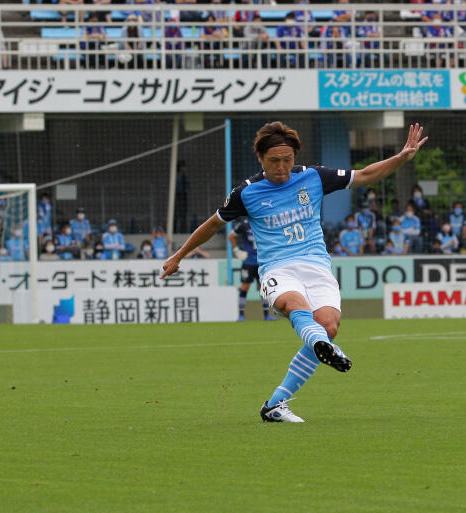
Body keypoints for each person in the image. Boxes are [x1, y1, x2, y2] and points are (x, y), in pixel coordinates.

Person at [160, 121, 427, 422]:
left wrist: (401, 157)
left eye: (287, 159)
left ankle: (276, 404)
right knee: (293, 303)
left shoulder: (313, 177)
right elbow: (213, 224)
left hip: (316, 266)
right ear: (260, 158)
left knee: (328, 326)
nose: (282, 167)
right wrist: (179, 255)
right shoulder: (246, 193)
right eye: (274, 160)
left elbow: (365, 175)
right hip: (277, 268)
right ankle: (322, 346)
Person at [229, 218, 275, 322]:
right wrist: (236, 250)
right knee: (244, 288)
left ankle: (266, 315)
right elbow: (231, 236)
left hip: (261, 263)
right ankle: (241, 315)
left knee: (263, 288)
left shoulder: (263, 222)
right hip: (248, 262)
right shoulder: (244, 225)